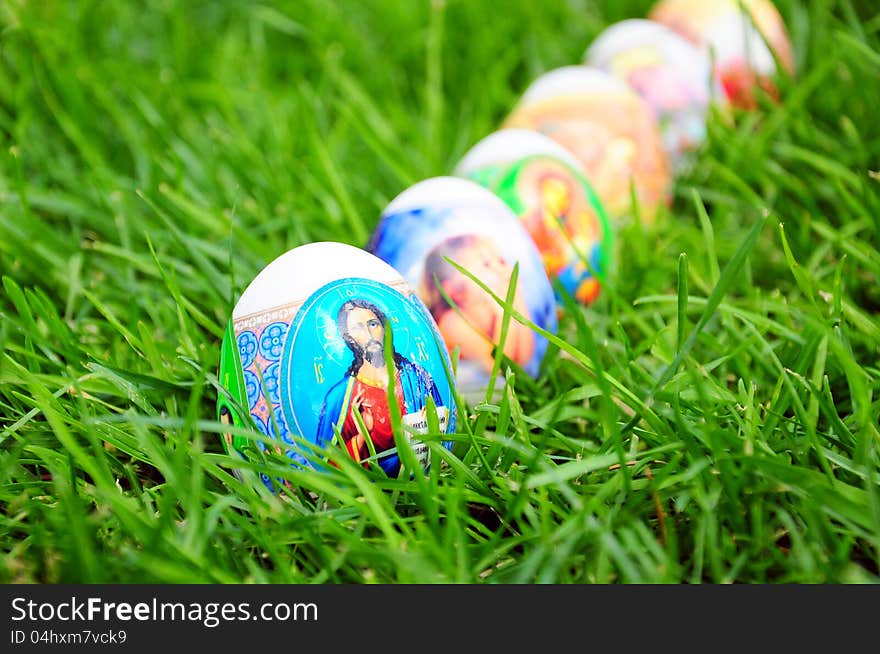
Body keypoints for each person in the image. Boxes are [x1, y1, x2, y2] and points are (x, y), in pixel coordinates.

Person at [315, 299, 447, 475]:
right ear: (349, 339)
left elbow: (443, 433)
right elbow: (326, 465)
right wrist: (362, 435)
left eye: (373, 324)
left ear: (385, 329)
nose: (369, 334)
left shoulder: (416, 379)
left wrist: (426, 420)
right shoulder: (339, 397)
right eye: (357, 328)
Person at [420, 234, 535, 377]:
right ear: (456, 291)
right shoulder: (452, 323)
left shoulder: (488, 310)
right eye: (487, 264)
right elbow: (497, 370)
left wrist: (516, 297)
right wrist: (503, 314)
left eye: (500, 261)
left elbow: (523, 360)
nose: (501, 270)